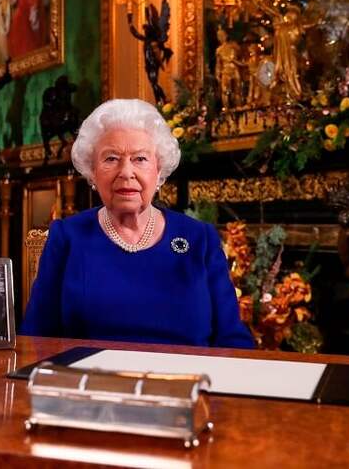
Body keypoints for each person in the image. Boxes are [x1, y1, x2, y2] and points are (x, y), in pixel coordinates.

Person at [21, 99, 254, 348]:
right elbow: (36, 337)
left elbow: (232, 338)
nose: (126, 172)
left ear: (159, 169)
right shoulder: (67, 236)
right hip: (91, 382)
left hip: (186, 383)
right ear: (92, 171)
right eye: (111, 159)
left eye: (140, 159)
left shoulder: (200, 238)